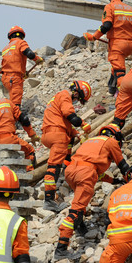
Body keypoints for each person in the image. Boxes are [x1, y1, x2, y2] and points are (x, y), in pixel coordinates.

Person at [54, 124, 130, 261]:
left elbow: (95, 171)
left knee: (80, 201)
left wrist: (114, 181)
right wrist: (131, 180)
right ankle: (61, 249)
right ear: (114, 135)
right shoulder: (110, 141)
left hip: (71, 172)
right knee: (76, 210)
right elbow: (122, 165)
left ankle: (80, 227)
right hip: (85, 174)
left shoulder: (91, 141)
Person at [41, 81, 92, 213]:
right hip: (57, 136)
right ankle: (49, 201)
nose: (76, 102)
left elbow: (63, 121)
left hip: (48, 134)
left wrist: (76, 133)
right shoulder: (65, 96)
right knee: (53, 168)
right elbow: (71, 116)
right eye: (78, 99)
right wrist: (84, 125)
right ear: (76, 92)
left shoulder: (56, 98)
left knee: (69, 141)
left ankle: (66, 166)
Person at [84, 0, 132, 95]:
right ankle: (112, 88)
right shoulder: (130, 9)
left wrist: (94, 37)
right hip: (130, 45)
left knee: (120, 72)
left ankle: (124, 96)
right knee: (116, 67)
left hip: (117, 44)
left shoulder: (110, 7)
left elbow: (107, 25)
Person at [0, 26, 44, 107]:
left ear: (10, 36)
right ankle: (14, 118)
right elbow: (30, 54)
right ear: (22, 36)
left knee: (10, 101)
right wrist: (37, 59)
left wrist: (23, 73)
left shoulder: (5, 48)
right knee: (16, 104)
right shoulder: (20, 42)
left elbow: (10, 63)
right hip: (14, 78)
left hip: (5, 78)